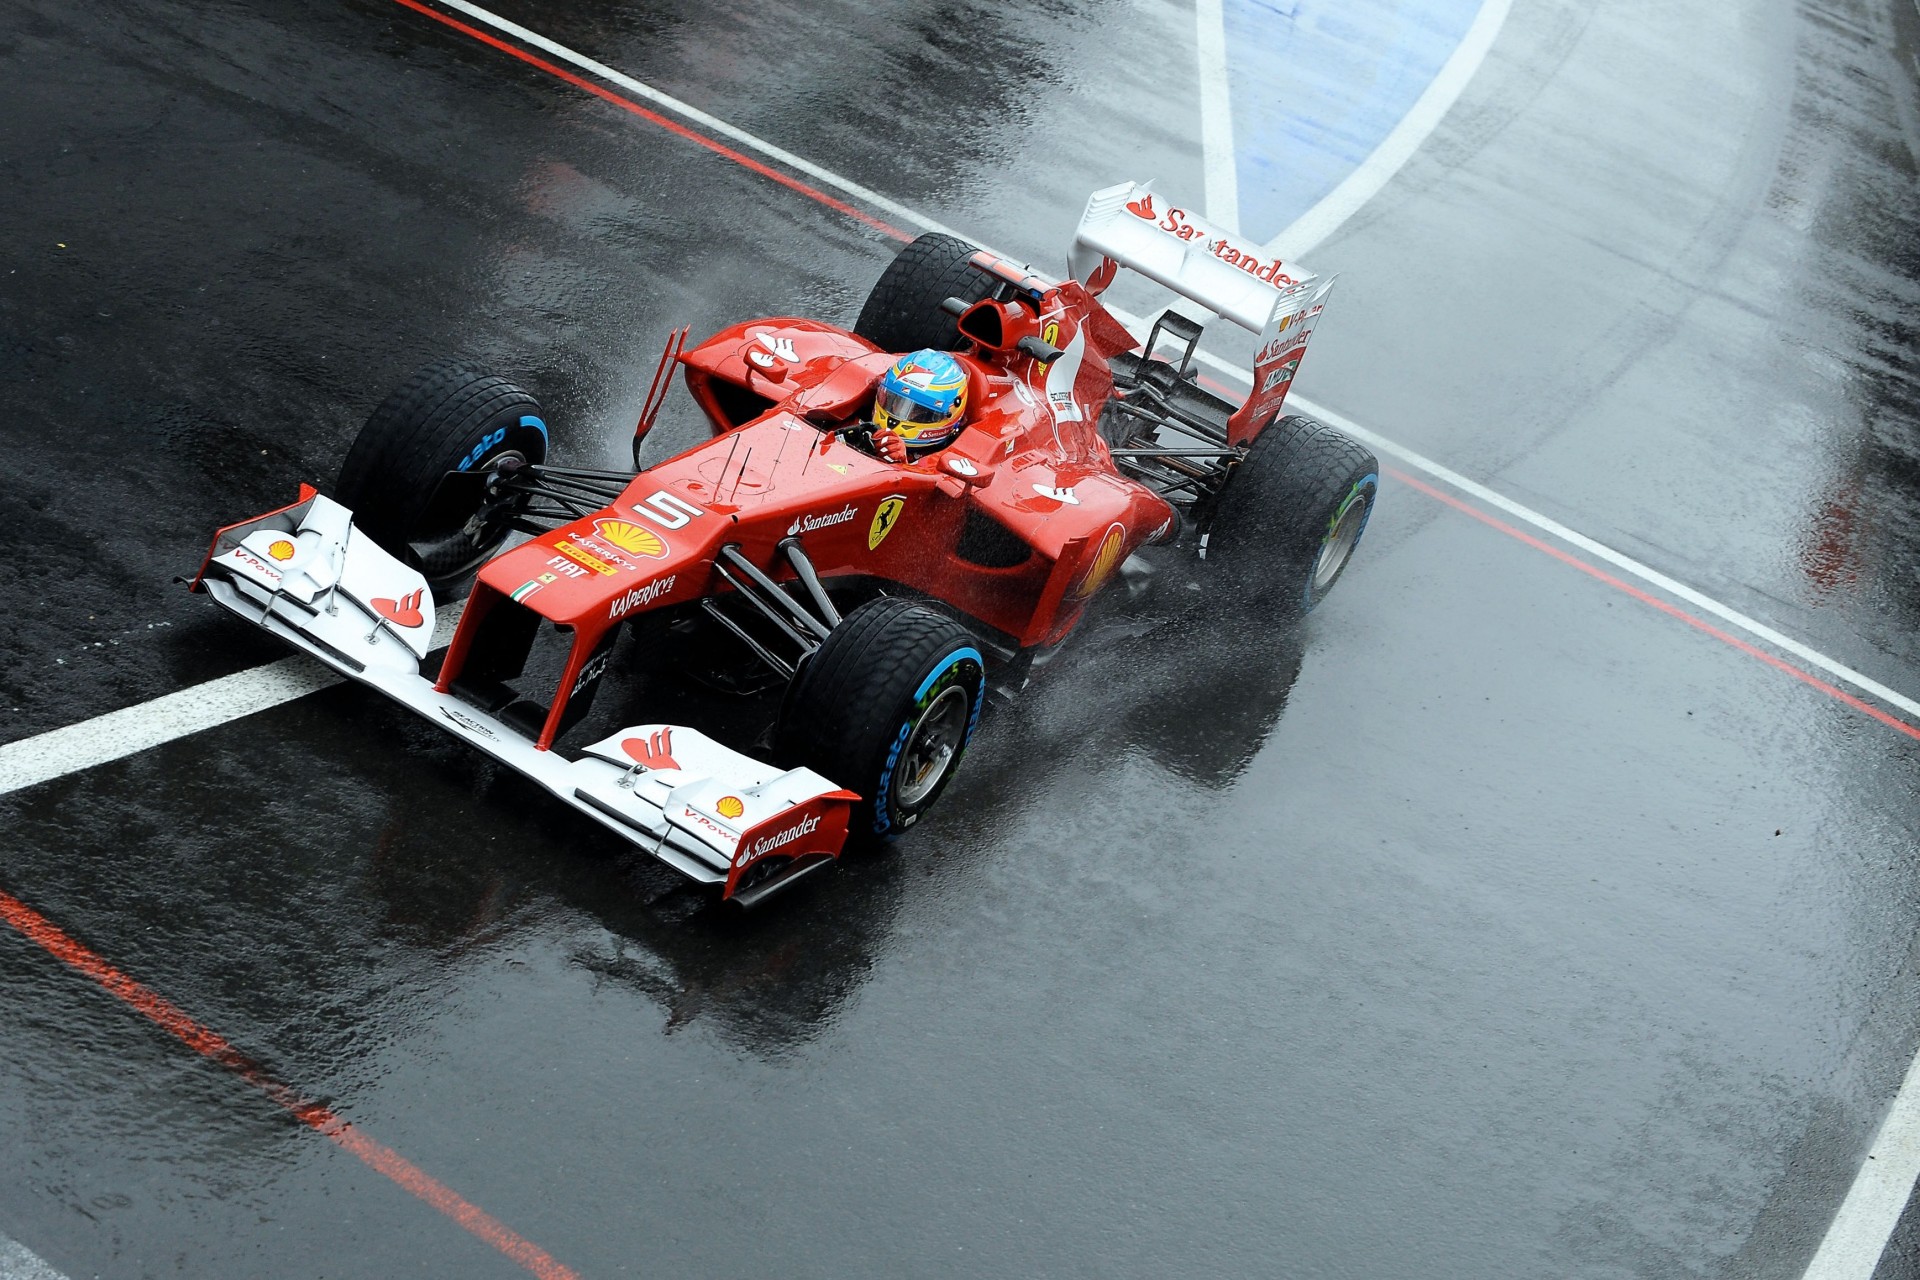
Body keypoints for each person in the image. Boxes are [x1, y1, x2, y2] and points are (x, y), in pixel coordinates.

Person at [866, 349, 968, 463]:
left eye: (919, 410)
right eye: (895, 400)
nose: (900, 412)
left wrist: (902, 465)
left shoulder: (945, 459)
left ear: (950, 415)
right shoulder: (861, 423)